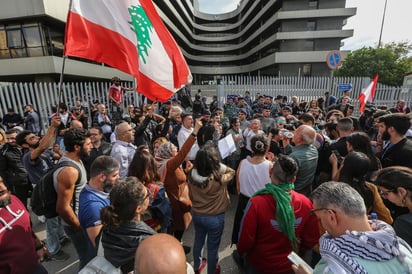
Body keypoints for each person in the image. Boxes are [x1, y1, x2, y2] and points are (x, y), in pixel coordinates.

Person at [293, 181, 412, 274]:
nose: (322, 225)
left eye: (320, 219)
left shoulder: (335, 268)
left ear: (331, 216)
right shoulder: (402, 249)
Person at [238, 155, 320, 274]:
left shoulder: (256, 203)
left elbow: (245, 239)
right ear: (293, 179)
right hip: (289, 265)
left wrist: (243, 252)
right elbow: (310, 239)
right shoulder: (306, 203)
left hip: (259, 264)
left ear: (270, 172)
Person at [16, 117, 70, 261]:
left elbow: (59, 156)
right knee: (51, 221)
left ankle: (61, 237)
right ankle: (53, 249)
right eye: (32, 138)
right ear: (25, 145)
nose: (36, 138)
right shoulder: (29, 156)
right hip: (44, 193)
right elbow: (42, 147)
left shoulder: (45, 153)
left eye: (35, 136)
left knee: (58, 215)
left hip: (54, 187)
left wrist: (59, 152)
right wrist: (52, 127)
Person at [188, 144, 236, 274]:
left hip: (197, 214)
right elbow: (232, 171)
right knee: (213, 247)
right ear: (214, 162)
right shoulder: (219, 179)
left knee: (198, 240)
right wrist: (219, 166)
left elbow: (190, 195)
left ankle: (197, 267)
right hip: (215, 217)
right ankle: (212, 270)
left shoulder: (191, 176)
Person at [155, 119, 202, 249]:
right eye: (174, 151)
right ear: (168, 153)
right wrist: (195, 131)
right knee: (174, 228)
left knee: (176, 227)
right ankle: (174, 248)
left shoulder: (162, 162)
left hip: (177, 201)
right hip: (175, 203)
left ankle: (177, 244)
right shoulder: (169, 164)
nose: (176, 153)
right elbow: (183, 152)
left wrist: (185, 172)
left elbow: (176, 177)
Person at [100, 177, 156, 273]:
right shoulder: (149, 241)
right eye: (147, 194)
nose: (149, 194)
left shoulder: (106, 231)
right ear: (138, 208)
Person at [55, 128, 92, 269]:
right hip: (76, 223)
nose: (91, 146)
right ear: (77, 147)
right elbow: (63, 207)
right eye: (88, 144)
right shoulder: (69, 171)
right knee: (87, 259)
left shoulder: (75, 159)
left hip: (81, 220)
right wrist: (78, 227)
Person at [0, 176, 48, 274]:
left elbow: (27, 227)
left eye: (1, 182)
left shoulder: (13, 199)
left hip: (35, 267)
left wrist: (38, 246)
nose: (3, 188)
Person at [329, 151, 392, 224]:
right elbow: (387, 218)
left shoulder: (334, 191)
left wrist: (336, 165)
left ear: (344, 168)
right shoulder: (371, 188)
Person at [232, 134, 273, 246]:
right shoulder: (270, 165)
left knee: (242, 228)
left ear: (251, 147)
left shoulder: (242, 162)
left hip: (244, 202)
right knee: (258, 233)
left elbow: (238, 186)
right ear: (267, 148)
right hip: (262, 204)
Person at [78, 156, 120, 259]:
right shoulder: (93, 208)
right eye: (114, 175)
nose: (119, 178)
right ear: (102, 177)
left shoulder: (97, 190)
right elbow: (100, 245)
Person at [128, 145, 172, 233]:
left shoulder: (127, 185)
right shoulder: (157, 190)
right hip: (154, 229)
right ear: (152, 167)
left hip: (132, 229)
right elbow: (165, 215)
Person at [375, 166, 412, 246]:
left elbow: (404, 256)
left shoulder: (404, 223)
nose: (384, 197)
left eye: (385, 193)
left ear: (402, 192)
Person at [284, 125, 318, 197]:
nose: (293, 133)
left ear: (299, 139)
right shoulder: (314, 150)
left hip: (294, 195)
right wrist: (286, 144)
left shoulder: (294, 157)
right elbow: (298, 151)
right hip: (307, 191)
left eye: (296, 132)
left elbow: (286, 180)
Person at [0, 128, 31, 207]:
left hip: (32, 181)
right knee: (22, 206)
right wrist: (7, 186)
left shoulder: (28, 147)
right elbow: (2, 171)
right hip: (18, 185)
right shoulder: (4, 151)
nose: (10, 141)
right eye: (8, 138)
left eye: (13, 138)